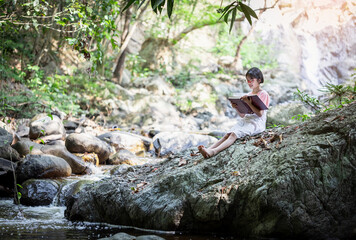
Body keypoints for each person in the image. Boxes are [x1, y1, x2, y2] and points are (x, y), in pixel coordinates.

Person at [198, 67, 270, 158]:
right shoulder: (248, 94)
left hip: (257, 123)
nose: (249, 82)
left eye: (252, 80)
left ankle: (213, 151)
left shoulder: (263, 94)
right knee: (227, 134)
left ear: (259, 80)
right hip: (246, 120)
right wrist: (237, 107)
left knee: (234, 134)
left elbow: (260, 114)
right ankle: (208, 149)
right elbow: (243, 115)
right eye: (247, 80)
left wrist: (248, 102)